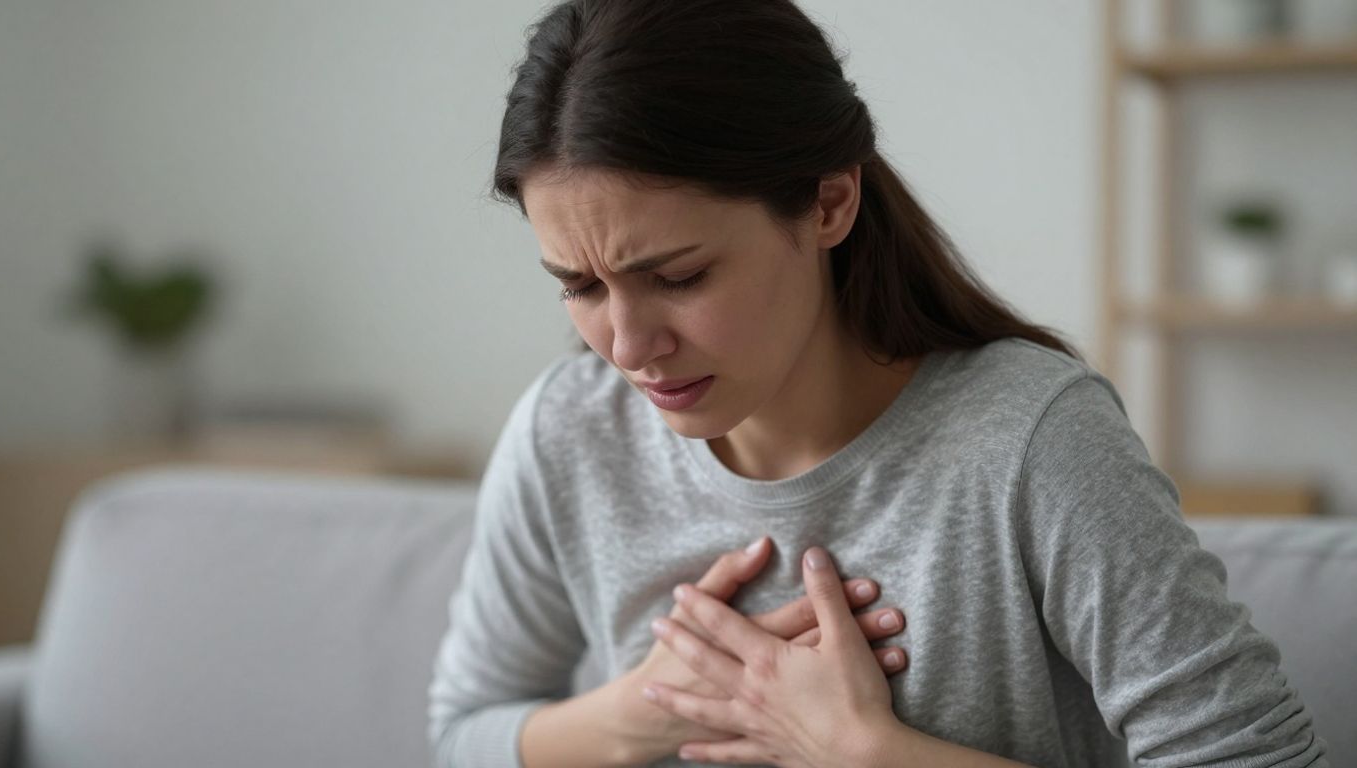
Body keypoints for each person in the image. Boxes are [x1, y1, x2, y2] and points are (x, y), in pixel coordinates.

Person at [427, 1, 1330, 766]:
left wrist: (873, 753)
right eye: (579, 287)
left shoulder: (1032, 442)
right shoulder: (566, 432)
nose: (625, 346)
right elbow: (461, 731)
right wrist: (648, 709)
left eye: (679, 277)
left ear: (828, 203)